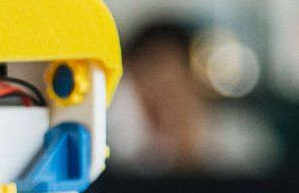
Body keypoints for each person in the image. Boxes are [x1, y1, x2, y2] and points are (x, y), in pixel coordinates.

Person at [107, 18, 275, 176]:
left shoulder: (242, 139)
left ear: (191, 73)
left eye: (168, 83)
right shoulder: (124, 150)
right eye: (143, 79)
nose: (156, 92)